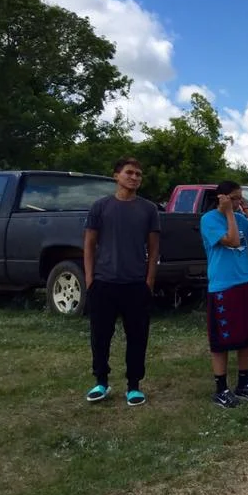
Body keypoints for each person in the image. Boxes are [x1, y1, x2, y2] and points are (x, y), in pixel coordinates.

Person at [83, 156, 160, 407]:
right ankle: (101, 381)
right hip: (104, 282)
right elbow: (90, 244)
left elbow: (153, 248)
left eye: (138, 174)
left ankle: (134, 385)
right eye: (129, 173)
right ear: (117, 175)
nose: (134, 178)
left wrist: (149, 280)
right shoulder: (100, 207)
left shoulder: (148, 209)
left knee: (137, 336)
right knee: (100, 336)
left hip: (136, 283)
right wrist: (89, 278)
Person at [200, 180, 248, 408]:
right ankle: (221, 388)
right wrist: (229, 212)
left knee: (247, 337)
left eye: (240, 197)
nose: (238, 201)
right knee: (221, 341)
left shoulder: (241, 217)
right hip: (223, 286)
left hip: (246, 282)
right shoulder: (209, 219)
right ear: (221, 197)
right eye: (234, 197)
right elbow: (232, 240)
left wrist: (247, 211)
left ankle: (243, 382)